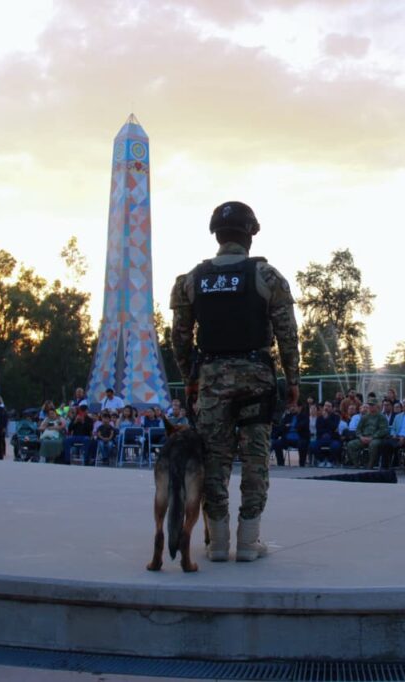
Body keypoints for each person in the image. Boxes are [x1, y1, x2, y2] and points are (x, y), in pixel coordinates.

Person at [169, 201, 300, 562]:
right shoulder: (268, 277)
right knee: (256, 458)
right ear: (251, 235)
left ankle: (218, 542)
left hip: (211, 380)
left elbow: (179, 338)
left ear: (216, 234)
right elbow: (288, 334)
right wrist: (293, 379)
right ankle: (248, 540)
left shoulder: (192, 280)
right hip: (257, 378)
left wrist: (189, 378)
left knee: (214, 459)